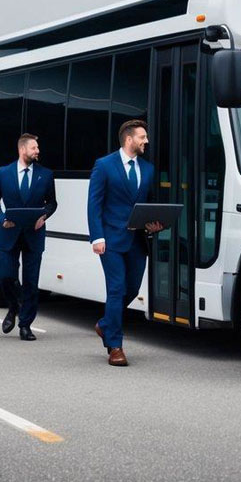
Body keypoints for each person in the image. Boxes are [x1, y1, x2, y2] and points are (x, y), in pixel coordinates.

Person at [88, 120, 163, 367]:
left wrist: (155, 224)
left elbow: (150, 206)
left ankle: (107, 324)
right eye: (142, 137)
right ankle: (115, 347)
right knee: (117, 288)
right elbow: (94, 204)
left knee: (131, 289)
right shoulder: (104, 165)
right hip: (110, 241)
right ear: (129, 139)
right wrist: (97, 237)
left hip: (137, 241)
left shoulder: (148, 169)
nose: (146, 141)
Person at [0, 134, 58, 341]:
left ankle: (25, 325)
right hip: (8, 232)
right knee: (6, 276)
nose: (38, 151)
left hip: (34, 233)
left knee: (31, 282)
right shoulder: (3, 173)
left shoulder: (46, 174)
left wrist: (44, 216)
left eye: (38, 148)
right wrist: (2, 218)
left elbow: (52, 203)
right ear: (22, 149)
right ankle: (13, 307)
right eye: (34, 148)